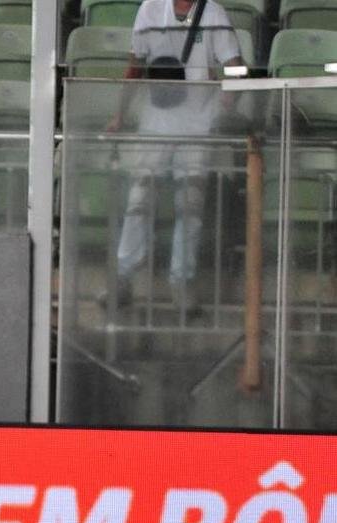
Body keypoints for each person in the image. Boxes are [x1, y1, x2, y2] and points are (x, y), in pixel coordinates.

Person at [106, 0, 243, 315]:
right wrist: (119, 114)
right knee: (139, 197)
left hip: (199, 121)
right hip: (156, 117)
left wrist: (227, 102)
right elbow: (135, 65)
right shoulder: (150, 10)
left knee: (190, 202)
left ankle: (182, 280)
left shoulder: (214, 14)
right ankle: (124, 275)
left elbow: (235, 64)